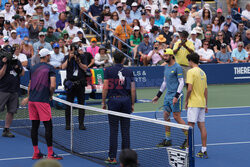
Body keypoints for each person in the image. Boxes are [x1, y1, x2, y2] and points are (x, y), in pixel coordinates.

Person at [21, 48, 62, 160]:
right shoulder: (50, 68)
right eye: (49, 55)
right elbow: (53, 85)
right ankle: (50, 154)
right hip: (42, 100)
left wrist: (29, 97)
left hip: (32, 101)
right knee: (48, 126)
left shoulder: (33, 68)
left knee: (34, 127)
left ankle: (36, 152)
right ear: (47, 56)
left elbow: (30, 85)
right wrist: (50, 95)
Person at [102, 51, 136, 165]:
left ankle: (112, 158)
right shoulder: (129, 71)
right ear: (123, 60)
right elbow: (133, 89)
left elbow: (105, 87)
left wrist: (103, 102)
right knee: (125, 131)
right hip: (126, 100)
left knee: (113, 130)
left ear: (113, 59)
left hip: (113, 101)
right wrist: (132, 103)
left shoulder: (108, 71)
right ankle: (126, 160)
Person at [152, 48, 187, 148]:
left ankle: (188, 138)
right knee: (166, 116)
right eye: (164, 56)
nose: (164, 57)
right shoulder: (166, 67)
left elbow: (181, 83)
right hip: (168, 95)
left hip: (176, 95)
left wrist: (176, 96)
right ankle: (168, 140)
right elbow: (164, 82)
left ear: (171, 56)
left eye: (166, 56)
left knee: (176, 117)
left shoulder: (178, 67)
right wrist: (158, 95)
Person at [185, 52, 208, 159]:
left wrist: (186, 101)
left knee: (190, 127)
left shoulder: (191, 72)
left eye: (188, 61)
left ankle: (188, 150)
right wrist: (206, 104)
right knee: (202, 126)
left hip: (193, 103)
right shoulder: (203, 72)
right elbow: (206, 90)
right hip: (202, 103)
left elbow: (189, 89)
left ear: (190, 61)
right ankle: (204, 150)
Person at [61, 45, 88, 130]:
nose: (74, 52)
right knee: (68, 105)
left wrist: (79, 62)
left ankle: (81, 123)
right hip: (70, 84)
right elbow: (63, 67)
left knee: (81, 104)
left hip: (80, 84)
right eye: (72, 51)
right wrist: (69, 58)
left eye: (75, 50)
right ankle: (68, 124)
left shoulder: (82, 56)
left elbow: (85, 68)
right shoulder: (67, 57)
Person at [0, 48, 25, 138]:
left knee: (11, 111)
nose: (9, 54)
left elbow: (22, 73)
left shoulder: (16, 61)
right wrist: (5, 64)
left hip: (14, 90)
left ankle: (6, 129)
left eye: (10, 53)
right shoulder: (1, 61)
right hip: (2, 90)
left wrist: (17, 67)